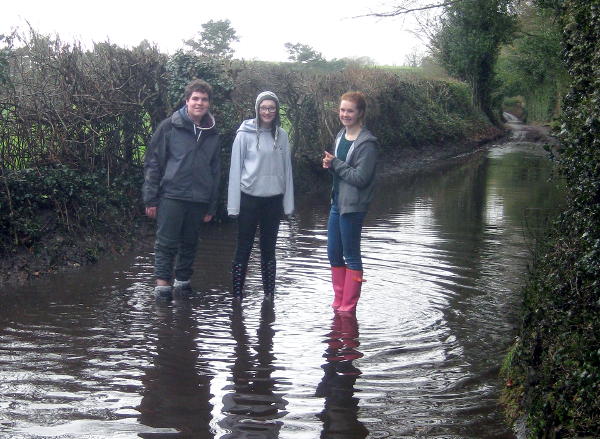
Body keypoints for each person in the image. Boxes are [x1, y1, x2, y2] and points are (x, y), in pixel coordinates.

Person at [142, 79, 221, 301]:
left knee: (190, 243)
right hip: (172, 195)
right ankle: (162, 287)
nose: (199, 103)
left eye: (204, 99)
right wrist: (150, 198)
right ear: (187, 101)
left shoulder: (213, 133)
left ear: (209, 104)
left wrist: (212, 205)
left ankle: (183, 283)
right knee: (166, 243)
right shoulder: (169, 126)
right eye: (195, 98)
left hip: (199, 198)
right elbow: (153, 162)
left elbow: (215, 171)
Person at [227, 91, 294, 299]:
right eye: (264, 108)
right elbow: (235, 170)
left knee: (269, 249)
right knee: (243, 247)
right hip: (249, 198)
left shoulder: (282, 135)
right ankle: (237, 296)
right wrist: (233, 207)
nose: (268, 112)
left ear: (276, 110)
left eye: (271, 108)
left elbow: (287, 171)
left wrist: (288, 204)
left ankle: (269, 295)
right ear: (257, 109)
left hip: (273, 200)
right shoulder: (243, 135)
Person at [322, 91, 378, 313]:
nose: (345, 114)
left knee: (351, 255)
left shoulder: (368, 144)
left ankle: (348, 307)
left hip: (354, 206)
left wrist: (336, 164)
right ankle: (338, 302)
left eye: (350, 111)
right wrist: (331, 166)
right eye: (342, 110)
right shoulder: (340, 136)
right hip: (337, 203)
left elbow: (361, 178)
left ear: (360, 113)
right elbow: (341, 174)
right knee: (333, 252)